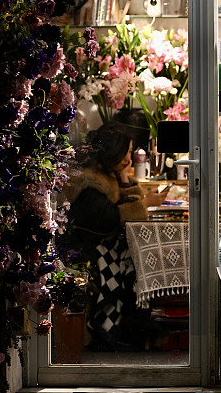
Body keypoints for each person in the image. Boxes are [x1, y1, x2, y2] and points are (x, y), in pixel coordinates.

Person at [59, 122, 170, 350]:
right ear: (115, 151)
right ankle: (118, 333)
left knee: (137, 264)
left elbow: (125, 208)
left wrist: (123, 175)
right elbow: (107, 218)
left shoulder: (106, 173)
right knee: (133, 269)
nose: (130, 157)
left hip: (106, 247)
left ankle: (133, 331)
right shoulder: (90, 181)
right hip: (89, 251)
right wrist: (145, 203)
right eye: (128, 152)